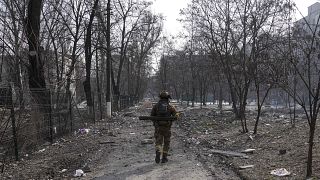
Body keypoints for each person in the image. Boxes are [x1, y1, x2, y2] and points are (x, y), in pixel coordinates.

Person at [151, 91, 178, 163]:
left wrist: (155, 124)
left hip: (158, 128)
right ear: (168, 98)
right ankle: (164, 158)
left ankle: (158, 152)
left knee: (158, 142)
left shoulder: (156, 106)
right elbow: (176, 115)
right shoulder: (170, 107)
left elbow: (152, 116)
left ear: (160, 97)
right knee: (166, 143)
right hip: (167, 128)